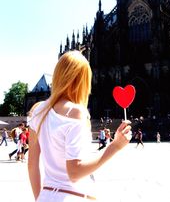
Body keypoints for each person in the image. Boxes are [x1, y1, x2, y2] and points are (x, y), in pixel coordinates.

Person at [28, 50, 132, 202]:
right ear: (82, 80)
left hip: (47, 195)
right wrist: (115, 146)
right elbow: (75, 172)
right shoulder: (75, 112)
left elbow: (32, 165)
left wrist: (41, 198)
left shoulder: (38, 111)